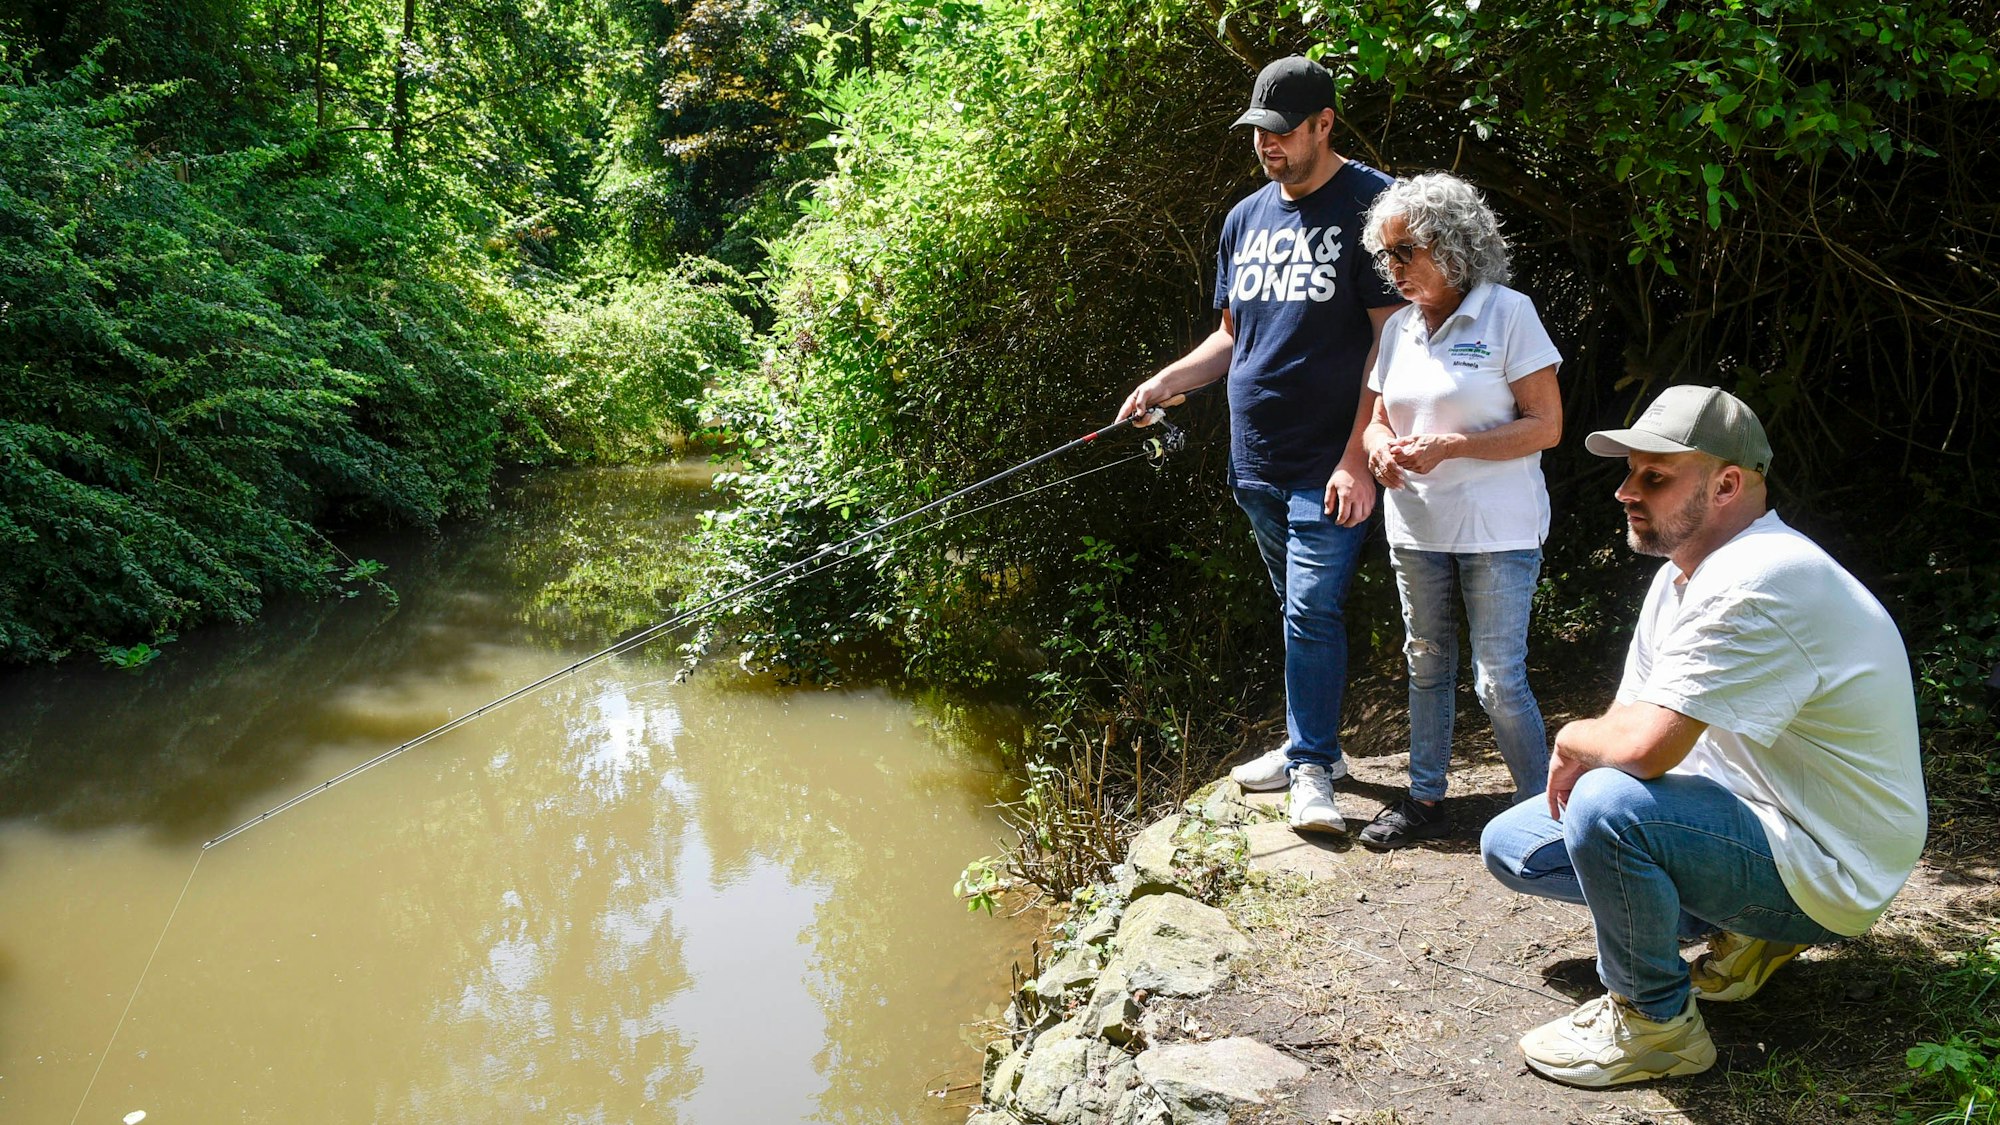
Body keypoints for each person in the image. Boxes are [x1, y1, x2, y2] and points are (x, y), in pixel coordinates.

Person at [1478, 385, 1927, 1087]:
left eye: (1653, 476)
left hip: (1833, 857)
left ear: (1726, 484)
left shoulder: (1762, 577)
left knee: (1604, 804)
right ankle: (1746, 927)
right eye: (1628, 471)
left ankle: (1657, 1024)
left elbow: (1643, 750)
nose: (1626, 491)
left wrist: (1569, 739)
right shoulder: (1685, 575)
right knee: (1513, 845)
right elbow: (1631, 721)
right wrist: (1598, 750)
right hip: (1752, 815)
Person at [1117, 55, 1404, 835]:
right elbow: (1229, 339)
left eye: (1282, 133)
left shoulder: (1374, 207)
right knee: (1296, 608)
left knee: (1312, 608)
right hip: (1258, 460)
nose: (1267, 146)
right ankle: (1317, 746)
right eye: (1258, 133)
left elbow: (1394, 340)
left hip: (1329, 458)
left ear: (1323, 125)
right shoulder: (1246, 218)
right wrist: (1162, 383)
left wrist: (1358, 453)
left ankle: (1311, 768)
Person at [1352, 172, 1561, 850]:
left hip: (1499, 530)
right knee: (1426, 660)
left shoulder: (1509, 312)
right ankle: (1423, 797)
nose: (1393, 269)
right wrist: (1380, 452)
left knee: (1498, 679)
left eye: (1404, 251)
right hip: (1416, 528)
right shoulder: (1402, 329)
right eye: (1386, 256)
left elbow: (1546, 425)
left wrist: (1453, 446)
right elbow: (1377, 420)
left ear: (1452, 243)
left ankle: (1546, 813)